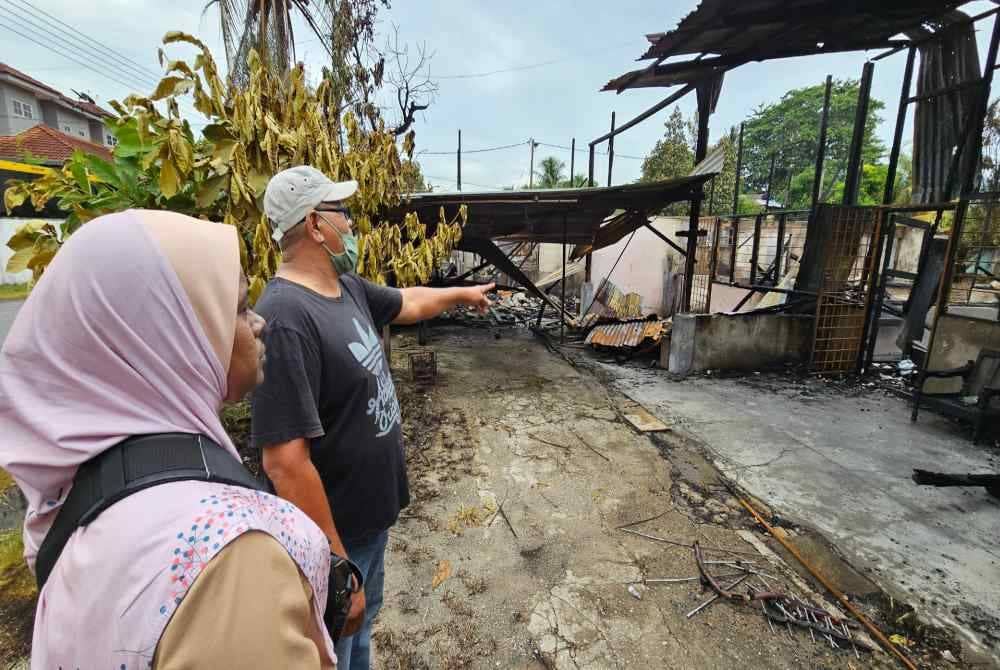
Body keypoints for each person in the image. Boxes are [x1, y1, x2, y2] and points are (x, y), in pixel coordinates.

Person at [0, 210, 337, 669]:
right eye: (238, 308)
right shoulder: (232, 562)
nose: (258, 323)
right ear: (169, 333)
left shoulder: (80, 495)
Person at [252, 166, 492, 669]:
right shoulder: (285, 319)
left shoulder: (348, 288)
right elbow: (285, 463)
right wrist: (340, 568)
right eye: (344, 214)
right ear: (316, 226)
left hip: (369, 522)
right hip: (334, 538)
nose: (353, 225)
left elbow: (407, 302)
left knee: (360, 638)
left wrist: (461, 295)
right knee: (333, 648)